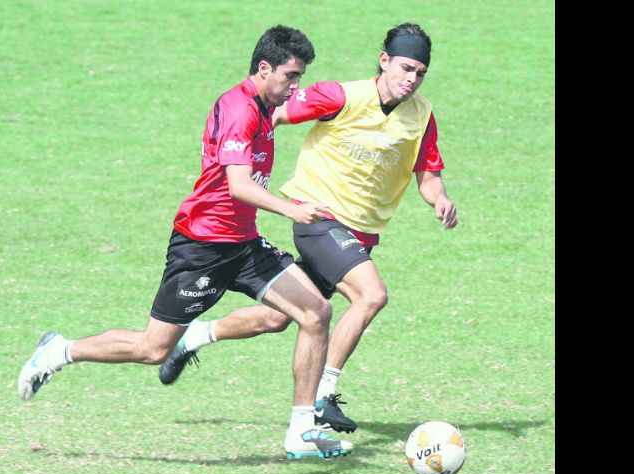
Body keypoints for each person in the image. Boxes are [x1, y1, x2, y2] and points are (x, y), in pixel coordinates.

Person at [17, 25, 354, 460]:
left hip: (243, 243)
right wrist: (292, 208)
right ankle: (59, 351)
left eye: (300, 76)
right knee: (152, 349)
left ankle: (301, 432)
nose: (296, 85)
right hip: (202, 247)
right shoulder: (240, 110)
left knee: (316, 312)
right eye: (291, 75)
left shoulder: (266, 105)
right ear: (264, 68)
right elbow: (237, 185)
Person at [158, 22, 458, 435]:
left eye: (421, 72)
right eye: (406, 67)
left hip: (361, 233)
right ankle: (322, 397)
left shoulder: (421, 115)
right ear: (385, 61)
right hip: (318, 217)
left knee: (282, 318)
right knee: (371, 295)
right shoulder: (342, 95)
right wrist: (238, 160)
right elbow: (275, 112)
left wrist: (439, 199)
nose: (412, 78)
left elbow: (427, 174)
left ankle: (195, 336)